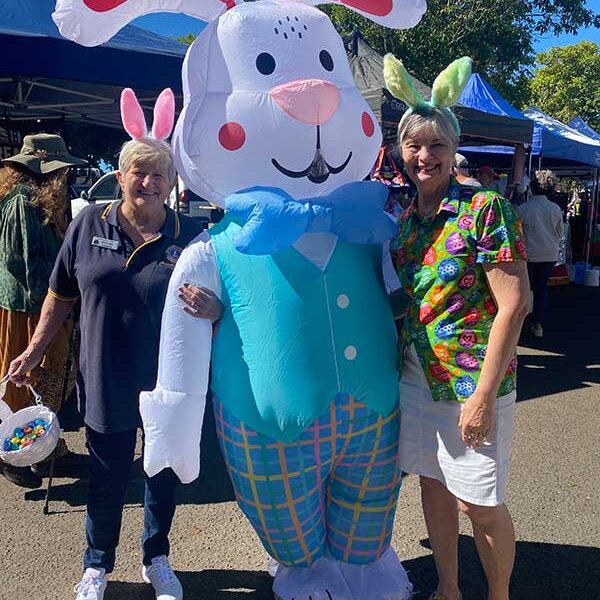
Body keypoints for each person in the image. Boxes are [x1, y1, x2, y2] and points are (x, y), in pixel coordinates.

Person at [9, 125, 221, 600]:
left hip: (171, 379)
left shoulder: (192, 235)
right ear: (121, 177)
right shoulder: (89, 224)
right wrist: (35, 349)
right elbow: (60, 294)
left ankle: (156, 557)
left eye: (159, 175)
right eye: (139, 172)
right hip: (106, 373)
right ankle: (96, 564)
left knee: (162, 471)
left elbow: (226, 300)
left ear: (172, 182)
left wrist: (216, 309)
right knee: (107, 476)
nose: (149, 183)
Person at [384, 55, 530, 600]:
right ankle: (448, 588)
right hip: (417, 377)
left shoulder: (485, 208)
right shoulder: (407, 220)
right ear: (401, 151)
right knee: (433, 485)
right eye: (414, 145)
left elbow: (515, 305)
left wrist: (484, 397)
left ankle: (498, 595)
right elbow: (409, 301)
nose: (425, 156)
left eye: (437, 145)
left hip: (472, 382)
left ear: (454, 149)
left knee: (479, 502)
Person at [0, 133, 87, 489]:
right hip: (31, 309)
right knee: (30, 379)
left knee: (51, 380)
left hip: (41, 305)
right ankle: (15, 452)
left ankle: (47, 449)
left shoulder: (34, 200)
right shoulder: (23, 201)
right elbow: (22, 262)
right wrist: (57, 301)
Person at [517, 171, 564, 338]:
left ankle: (518, 324)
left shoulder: (523, 209)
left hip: (529, 255)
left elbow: (518, 234)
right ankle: (537, 324)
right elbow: (560, 233)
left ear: (532, 187)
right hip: (549, 254)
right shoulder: (555, 209)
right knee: (541, 290)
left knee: (523, 289)